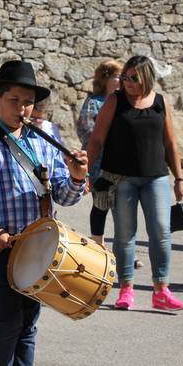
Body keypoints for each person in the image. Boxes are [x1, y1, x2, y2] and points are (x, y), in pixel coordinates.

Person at [0, 59, 88, 366]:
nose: (22, 108)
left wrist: (76, 177)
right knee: (7, 316)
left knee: (27, 321)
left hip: (38, 247)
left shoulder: (43, 142)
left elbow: (64, 194)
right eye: (15, 100)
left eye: (28, 102)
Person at [86, 55, 183, 311]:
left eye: (133, 78)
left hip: (156, 178)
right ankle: (126, 289)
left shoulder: (160, 102)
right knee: (124, 236)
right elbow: (96, 139)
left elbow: (170, 143)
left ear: (147, 77)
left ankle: (161, 289)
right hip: (121, 179)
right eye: (124, 77)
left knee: (162, 233)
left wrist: (179, 178)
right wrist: (85, 172)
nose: (127, 82)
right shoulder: (115, 100)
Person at [76, 59, 122, 246]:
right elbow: (86, 129)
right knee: (100, 205)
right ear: (106, 79)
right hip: (100, 163)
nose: (121, 81)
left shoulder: (124, 101)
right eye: (117, 77)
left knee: (123, 208)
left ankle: (124, 248)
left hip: (121, 163)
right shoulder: (94, 102)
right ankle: (98, 246)